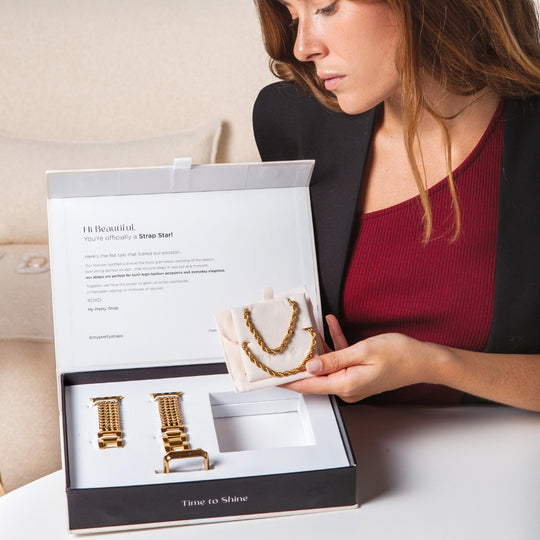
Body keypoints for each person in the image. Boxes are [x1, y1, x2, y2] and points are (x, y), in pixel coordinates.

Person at [252, 0, 540, 411]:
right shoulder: (293, 122)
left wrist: (434, 365)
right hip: (347, 441)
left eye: (327, 7)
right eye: (293, 16)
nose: (303, 47)